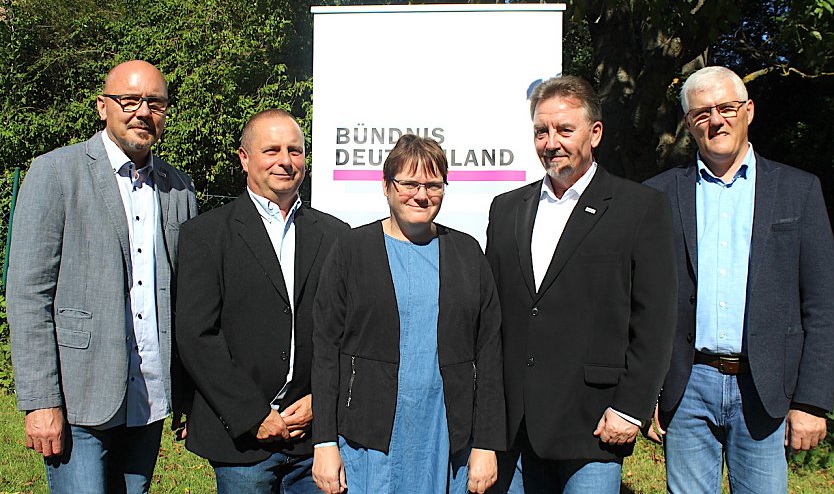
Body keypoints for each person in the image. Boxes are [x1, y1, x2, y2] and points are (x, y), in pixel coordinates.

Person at [6, 60, 198, 493]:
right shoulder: (56, 173)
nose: (142, 112)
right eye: (129, 101)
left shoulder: (179, 188)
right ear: (102, 107)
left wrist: (187, 391)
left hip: (149, 396)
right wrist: (41, 401)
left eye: (155, 102)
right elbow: (27, 294)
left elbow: (186, 299)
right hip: (78, 397)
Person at [643, 66, 834, 493]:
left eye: (727, 108)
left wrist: (810, 401)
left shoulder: (798, 191)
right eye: (701, 113)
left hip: (765, 387)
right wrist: (649, 389)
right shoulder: (657, 195)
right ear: (690, 125)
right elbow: (644, 302)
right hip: (686, 383)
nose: (716, 120)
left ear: (749, 110)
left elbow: (823, 305)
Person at [485, 75, 678, 493]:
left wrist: (631, 408)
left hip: (591, 420)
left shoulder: (640, 208)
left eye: (564, 130)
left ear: (595, 133)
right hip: (513, 424)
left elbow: (657, 319)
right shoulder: (505, 209)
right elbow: (495, 314)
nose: (551, 142)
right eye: (541, 131)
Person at [310, 134, 506, 494]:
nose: (422, 195)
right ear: (386, 186)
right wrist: (323, 442)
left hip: (446, 435)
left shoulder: (466, 252)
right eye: (410, 183)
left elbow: (489, 353)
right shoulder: (351, 250)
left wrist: (486, 443)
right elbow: (325, 351)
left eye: (433, 185)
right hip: (368, 439)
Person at [175, 109, 348, 493]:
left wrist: (321, 400)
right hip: (243, 442)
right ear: (244, 158)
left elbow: (346, 332)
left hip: (313, 439)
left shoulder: (336, 235)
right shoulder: (205, 235)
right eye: (271, 150)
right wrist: (252, 415)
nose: (285, 161)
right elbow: (196, 336)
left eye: (295, 150)